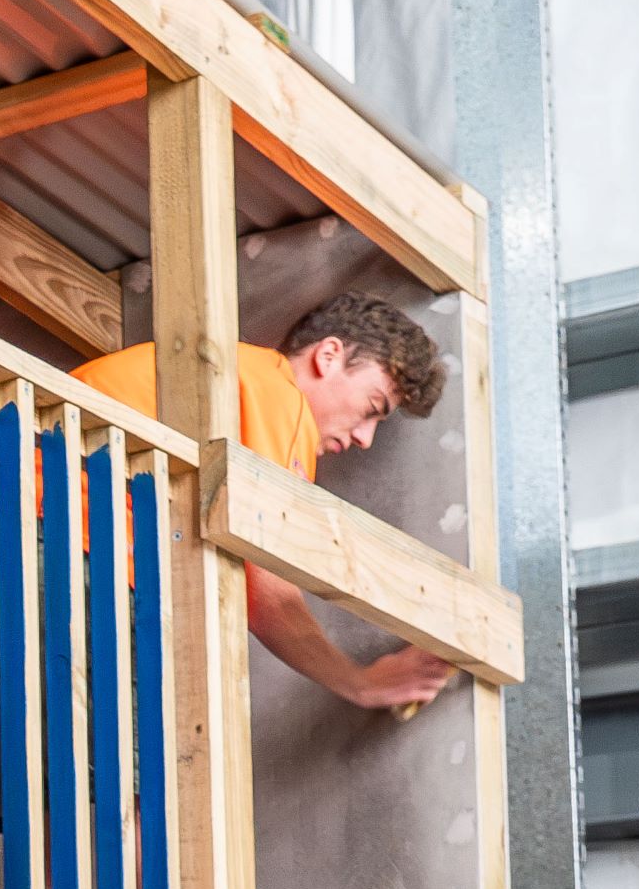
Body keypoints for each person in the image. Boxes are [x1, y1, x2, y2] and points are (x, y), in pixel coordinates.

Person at [77, 292, 453, 716]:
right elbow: (268, 590)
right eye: (372, 408)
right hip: (79, 555)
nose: (364, 438)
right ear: (328, 356)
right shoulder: (277, 395)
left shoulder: (237, 380)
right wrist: (360, 684)